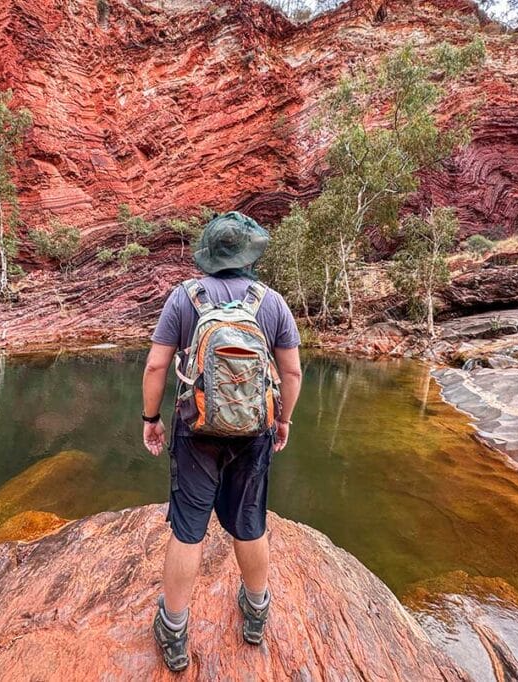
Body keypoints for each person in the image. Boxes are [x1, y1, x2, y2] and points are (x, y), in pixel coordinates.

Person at [141, 211, 303, 672]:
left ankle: (174, 631)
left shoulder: (184, 297)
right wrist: (283, 420)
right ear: (250, 256)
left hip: (196, 429)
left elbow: (156, 366)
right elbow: (291, 372)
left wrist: (151, 418)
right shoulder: (271, 303)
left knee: (188, 529)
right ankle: (256, 614)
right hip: (254, 430)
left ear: (209, 256)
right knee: (250, 521)